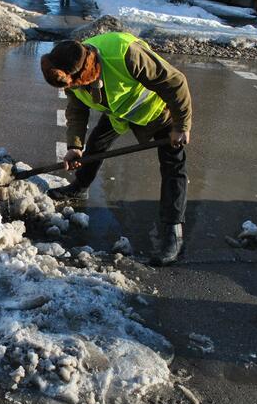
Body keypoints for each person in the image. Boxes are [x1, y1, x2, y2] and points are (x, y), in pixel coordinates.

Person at [40, 33, 192, 266]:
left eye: (73, 84)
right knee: (96, 144)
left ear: (84, 73)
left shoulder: (127, 54)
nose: (69, 89)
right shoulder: (68, 71)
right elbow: (77, 108)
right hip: (119, 112)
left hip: (158, 112)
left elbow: (175, 81)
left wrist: (181, 126)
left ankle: (173, 231)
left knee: (173, 166)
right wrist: (74, 146)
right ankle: (80, 186)